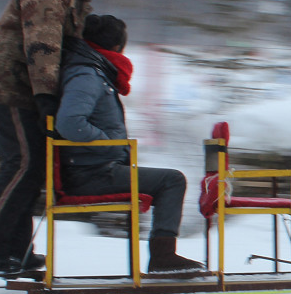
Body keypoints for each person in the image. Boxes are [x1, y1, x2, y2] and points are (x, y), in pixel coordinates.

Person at [0, 0, 136, 273]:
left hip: (27, 85)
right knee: (24, 164)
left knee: (33, 166)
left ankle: (14, 250)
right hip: (11, 85)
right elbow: (43, 42)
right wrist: (47, 97)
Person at [56, 14, 204, 273]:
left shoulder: (91, 70)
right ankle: (163, 257)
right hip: (90, 174)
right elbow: (70, 123)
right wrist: (108, 144)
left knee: (168, 179)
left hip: (91, 168)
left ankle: (163, 255)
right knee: (172, 180)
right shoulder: (87, 74)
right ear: (116, 47)